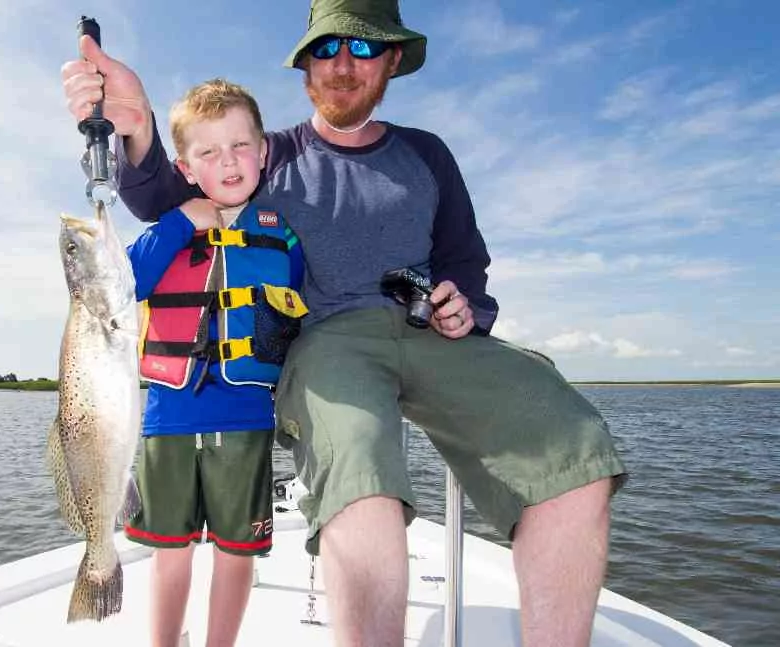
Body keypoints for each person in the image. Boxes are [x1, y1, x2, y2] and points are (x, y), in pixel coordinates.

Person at [62, 1, 628, 645]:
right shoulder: (264, 155)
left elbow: (465, 259)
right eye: (326, 49)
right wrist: (137, 129)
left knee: (573, 443)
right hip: (330, 345)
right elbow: (167, 196)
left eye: (362, 49)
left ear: (391, 61)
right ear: (305, 67)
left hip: (435, 339)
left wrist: (463, 301)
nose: (341, 64)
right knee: (363, 479)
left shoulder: (428, 155)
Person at [122, 78, 306, 647]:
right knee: (169, 553)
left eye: (240, 146)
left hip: (246, 419)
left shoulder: (284, 238)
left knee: (236, 552)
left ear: (263, 152)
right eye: (208, 151)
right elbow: (124, 282)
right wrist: (182, 223)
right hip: (167, 420)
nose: (227, 162)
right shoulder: (166, 232)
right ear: (185, 167)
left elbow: (299, 313)